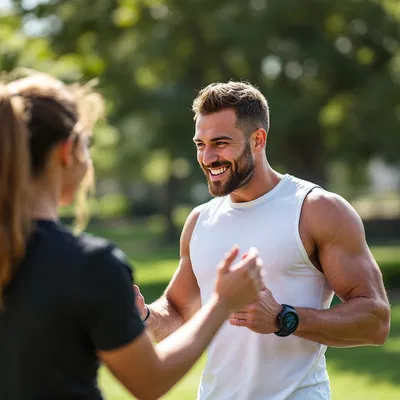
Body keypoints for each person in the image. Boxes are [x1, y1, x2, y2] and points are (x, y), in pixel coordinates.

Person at [0, 71, 265, 400]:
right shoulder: (90, 266)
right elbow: (149, 382)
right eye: (87, 143)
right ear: (67, 153)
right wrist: (223, 303)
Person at [135, 81, 391, 400]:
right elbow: (179, 315)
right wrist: (143, 315)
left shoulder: (316, 209)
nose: (207, 157)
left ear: (257, 140)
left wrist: (285, 318)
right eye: (200, 144)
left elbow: (375, 321)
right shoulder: (200, 220)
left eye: (221, 143)